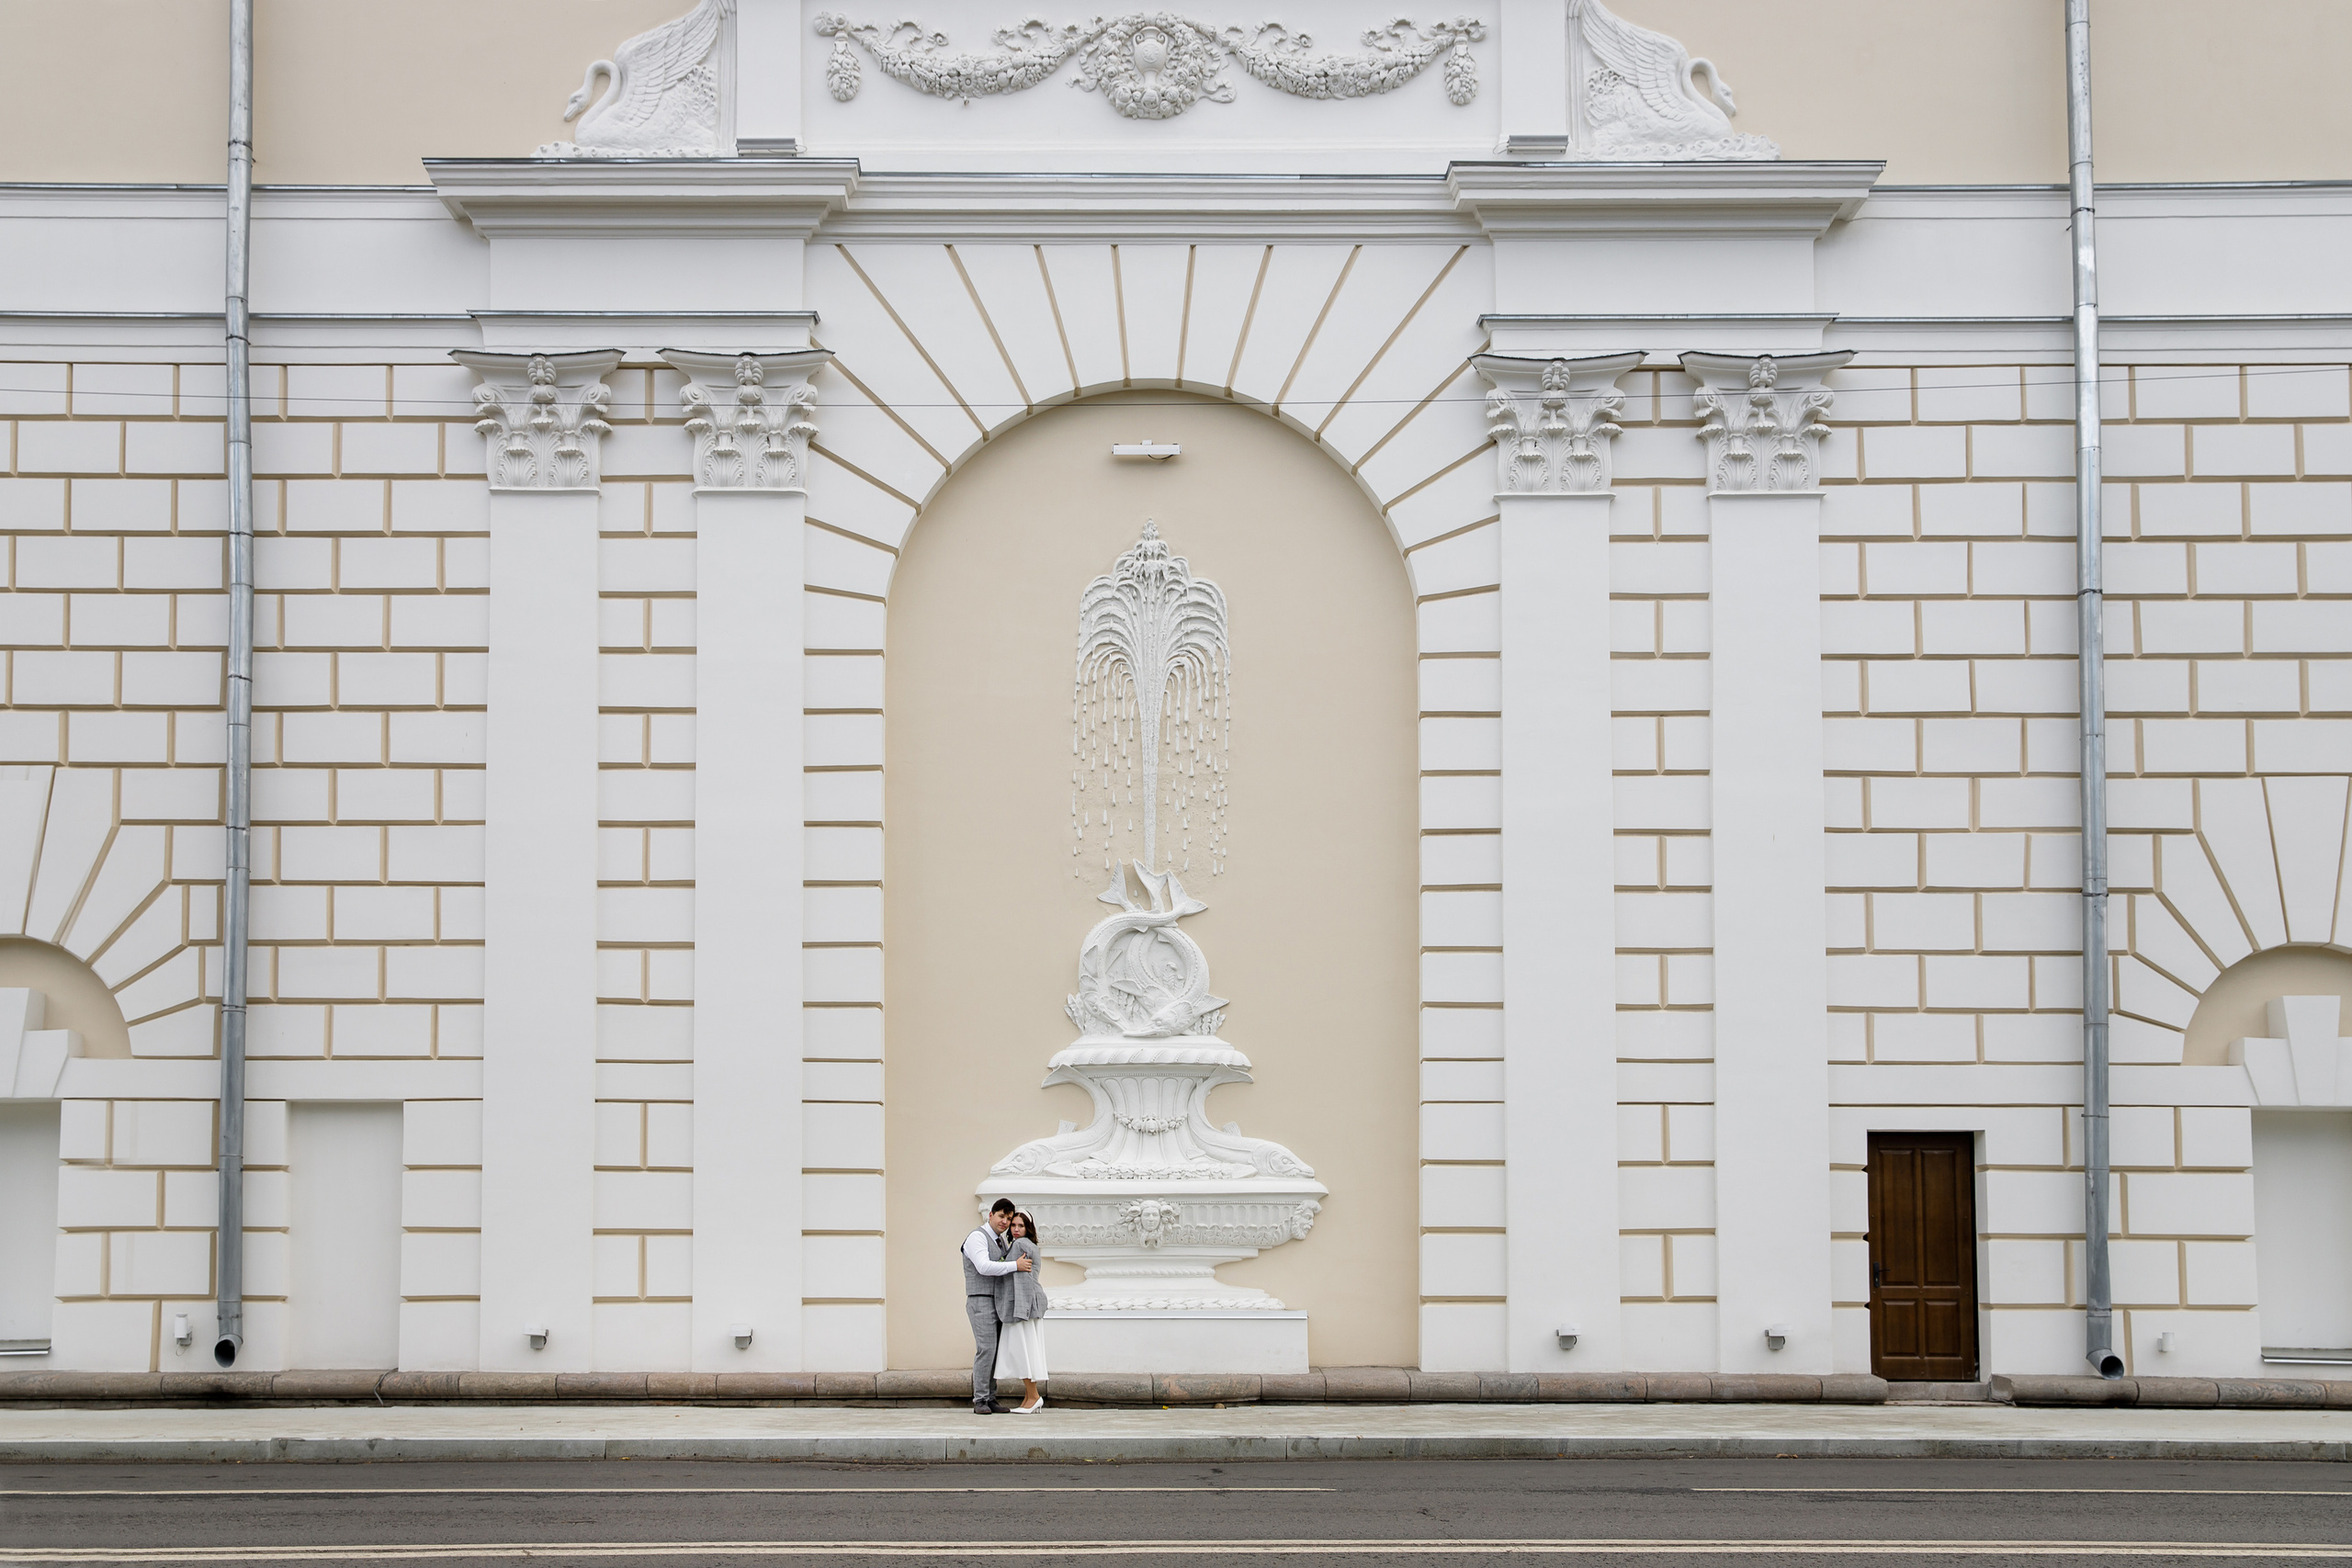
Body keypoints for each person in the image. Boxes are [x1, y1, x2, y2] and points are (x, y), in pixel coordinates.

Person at [961, 1197, 1031, 1415]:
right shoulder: (976, 1237)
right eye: (1002, 1216)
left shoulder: (1002, 1241)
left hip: (997, 1302)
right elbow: (983, 1266)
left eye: (1009, 1219)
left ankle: (990, 1398)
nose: (1005, 1222)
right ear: (990, 1215)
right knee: (986, 1349)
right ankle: (980, 1400)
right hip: (980, 1299)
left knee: (995, 1351)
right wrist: (1015, 1265)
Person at [995, 1211, 1049, 1412]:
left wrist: (1020, 1310)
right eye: (1014, 1225)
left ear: (1028, 1228)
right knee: (1026, 1351)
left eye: (1021, 1226)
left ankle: (1034, 1396)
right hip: (1028, 1307)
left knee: (1021, 1351)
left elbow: (1023, 1282)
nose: (1016, 1229)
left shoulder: (1020, 1245)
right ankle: (1029, 1399)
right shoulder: (1026, 1245)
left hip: (1022, 1308)